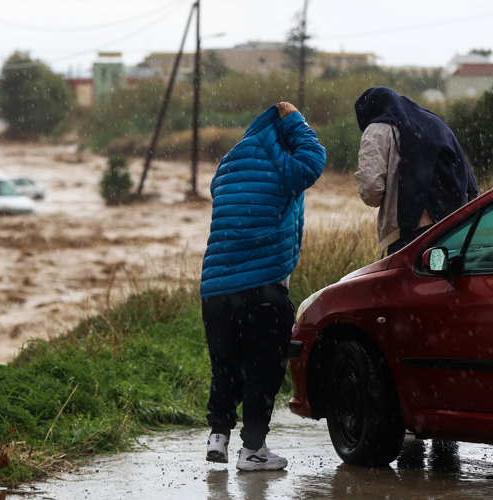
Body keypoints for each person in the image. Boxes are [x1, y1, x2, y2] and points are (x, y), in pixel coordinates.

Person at [202, 102, 326, 471]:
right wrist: (297, 120)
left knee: (224, 366)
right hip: (264, 290)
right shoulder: (286, 164)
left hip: (216, 291)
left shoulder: (229, 162)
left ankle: (218, 438)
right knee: (262, 369)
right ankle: (253, 450)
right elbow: (313, 160)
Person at [354, 87, 478, 255]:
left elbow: (371, 188)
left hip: (408, 231)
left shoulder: (377, 129)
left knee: (408, 281)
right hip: (454, 226)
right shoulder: (433, 122)